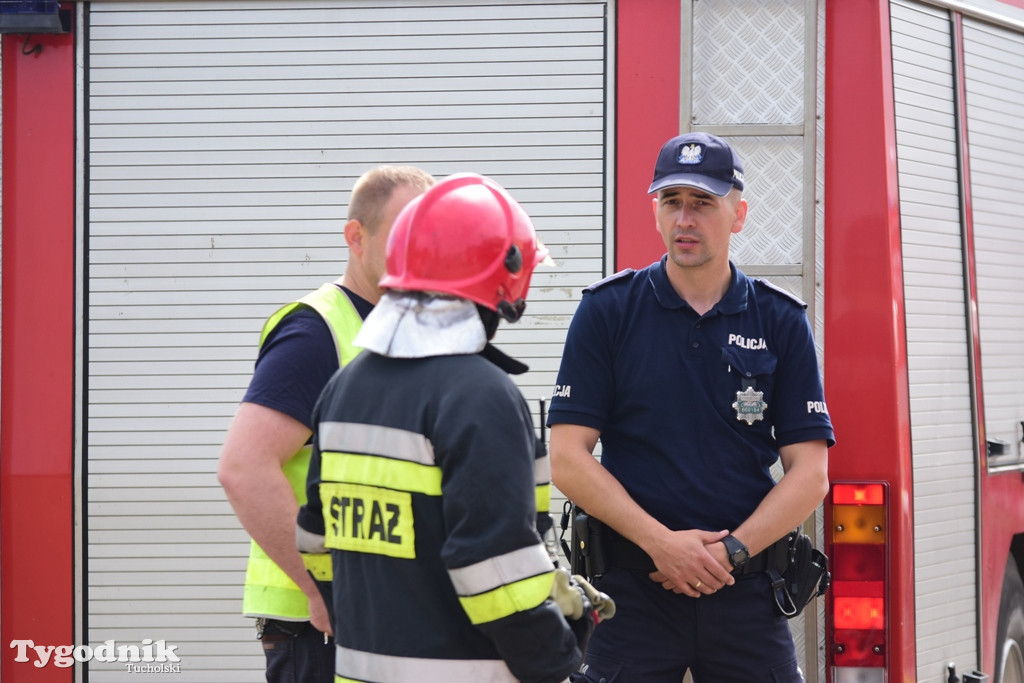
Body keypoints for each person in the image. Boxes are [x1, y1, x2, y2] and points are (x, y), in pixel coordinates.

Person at [295, 173, 606, 683]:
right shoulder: (481, 396)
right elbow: (494, 570)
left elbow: (314, 538)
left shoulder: (344, 387)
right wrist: (558, 662)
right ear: (504, 281)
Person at [547, 132, 834, 682]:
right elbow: (567, 457)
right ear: (654, 210)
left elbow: (811, 473)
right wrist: (662, 545)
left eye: (703, 203)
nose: (685, 219)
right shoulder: (607, 313)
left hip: (746, 595)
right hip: (631, 596)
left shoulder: (779, 320)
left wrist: (730, 553)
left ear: (738, 213)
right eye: (671, 201)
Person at [217, 165, 435, 683]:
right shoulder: (317, 331)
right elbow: (244, 467)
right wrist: (323, 588)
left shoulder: (406, 333)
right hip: (323, 629)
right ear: (356, 237)